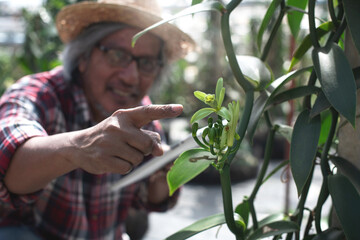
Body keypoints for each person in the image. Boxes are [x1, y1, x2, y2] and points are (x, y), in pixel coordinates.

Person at [0, 0, 195, 239]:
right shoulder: (38, 93)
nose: (131, 77)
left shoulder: (143, 117)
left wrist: (165, 176)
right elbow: (9, 163)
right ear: (83, 56)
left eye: (146, 63)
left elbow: (149, 196)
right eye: (117, 55)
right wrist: (78, 147)